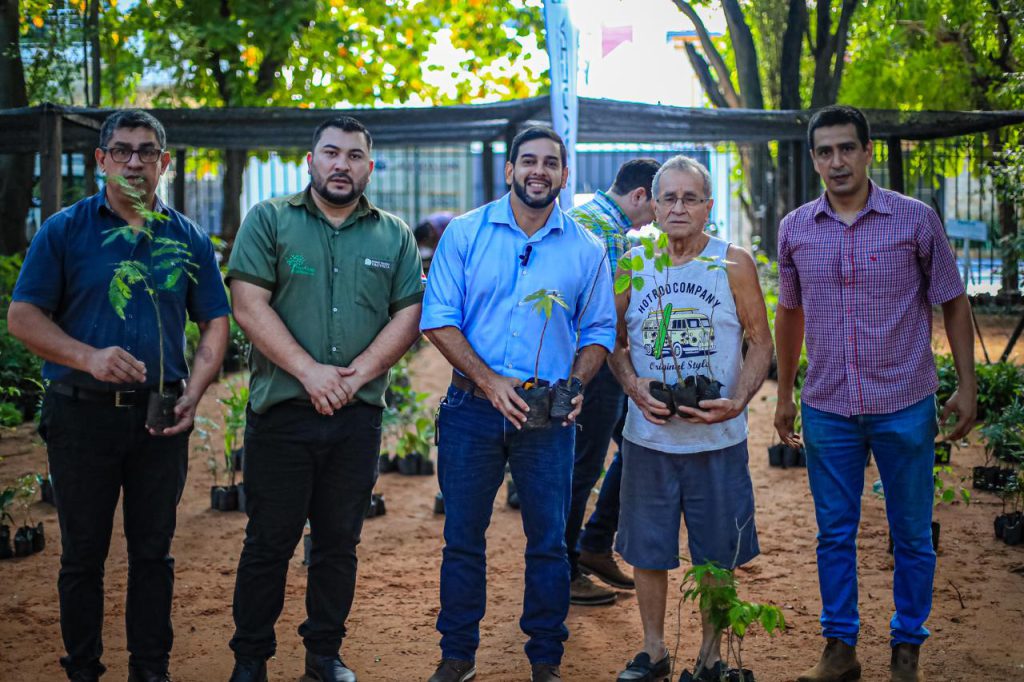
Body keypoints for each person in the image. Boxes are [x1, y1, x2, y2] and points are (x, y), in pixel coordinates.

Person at [8, 109, 230, 682]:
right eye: (123, 150)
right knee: (83, 554)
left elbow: (216, 322)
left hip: (161, 418)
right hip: (80, 416)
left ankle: (150, 670)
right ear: (101, 160)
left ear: (164, 162)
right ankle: (83, 668)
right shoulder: (64, 231)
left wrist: (195, 392)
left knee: (153, 553)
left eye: (147, 151)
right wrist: (88, 357)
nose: (135, 161)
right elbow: (23, 317)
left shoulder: (186, 238)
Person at [775, 105, 976, 682]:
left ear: (867, 152)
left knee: (911, 534)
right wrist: (785, 393)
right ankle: (840, 648)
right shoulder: (795, 228)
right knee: (833, 533)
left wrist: (967, 384)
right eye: (825, 151)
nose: (837, 161)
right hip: (827, 405)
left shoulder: (915, 219)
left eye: (847, 148)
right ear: (814, 159)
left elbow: (953, 299)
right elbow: (789, 312)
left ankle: (907, 647)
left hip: (904, 403)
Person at [225, 116, 424, 682]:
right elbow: (248, 304)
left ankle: (323, 655)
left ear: (369, 167)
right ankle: (250, 659)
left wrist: (352, 379)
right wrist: (310, 373)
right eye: (331, 153)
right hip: (282, 415)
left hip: (355, 420)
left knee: (339, 542)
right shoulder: (269, 220)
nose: (342, 164)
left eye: (354, 156)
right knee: (268, 542)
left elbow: (409, 315)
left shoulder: (394, 236)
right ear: (310, 160)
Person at [420, 126, 616, 682]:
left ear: (565, 175)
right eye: (528, 161)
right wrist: (489, 382)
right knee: (462, 538)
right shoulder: (466, 233)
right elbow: (438, 317)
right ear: (510, 170)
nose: (538, 171)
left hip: (547, 416)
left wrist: (574, 385)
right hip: (471, 411)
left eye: (550, 163)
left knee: (549, 543)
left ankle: (545, 658)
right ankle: (457, 655)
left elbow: (599, 330)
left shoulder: (587, 248)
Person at [608, 155, 772, 682]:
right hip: (649, 437)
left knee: (717, 553)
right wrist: (633, 386)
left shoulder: (733, 263)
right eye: (669, 198)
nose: (679, 208)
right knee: (647, 548)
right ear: (653, 206)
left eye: (690, 198)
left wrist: (739, 399)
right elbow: (614, 340)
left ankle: (710, 656)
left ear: (708, 207)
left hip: (716, 438)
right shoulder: (633, 261)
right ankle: (653, 651)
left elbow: (760, 341)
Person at [564, 158, 661, 606]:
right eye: (658, 205)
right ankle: (565, 570)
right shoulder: (598, 228)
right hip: (593, 364)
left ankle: (595, 545)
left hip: (605, 362)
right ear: (640, 195)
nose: (657, 218)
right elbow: (602, 311)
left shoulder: (608, 226)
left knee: (636, 447)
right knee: (583, 466)